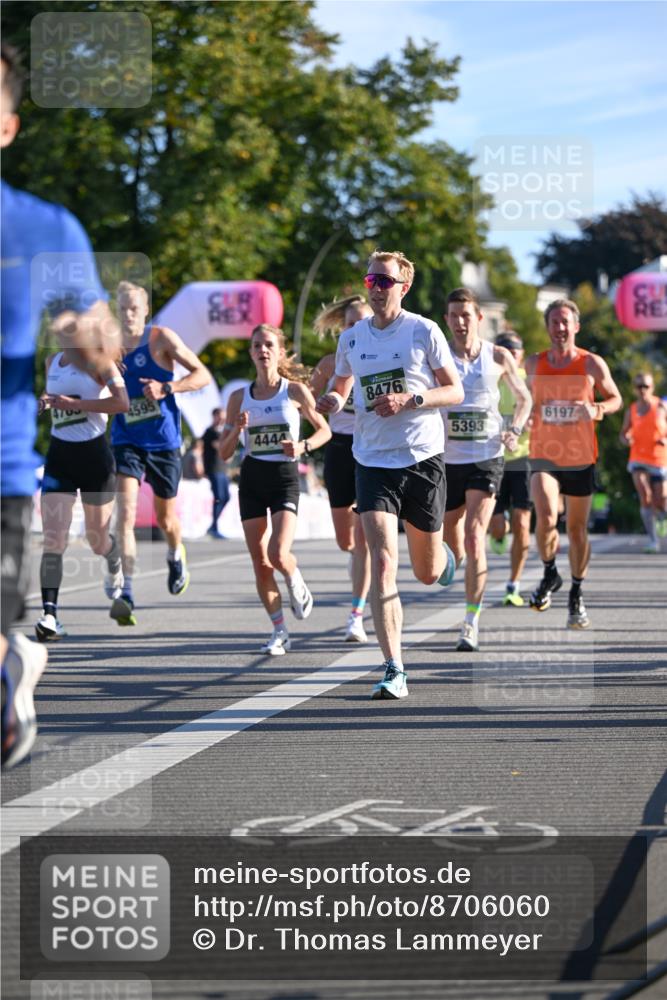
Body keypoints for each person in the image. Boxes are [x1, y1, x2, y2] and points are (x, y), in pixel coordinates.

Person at [1, 42, 119, 767]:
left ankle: (12, 664)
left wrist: (86, 338)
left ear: (6, 129)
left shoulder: (48, 231)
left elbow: (105, 348)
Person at [318, 250, 463, 700]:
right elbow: (341, 384)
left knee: (425, 571)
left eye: (385, 281)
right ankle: (394, 667)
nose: (376, 288)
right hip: (372, 459)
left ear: (404, 286)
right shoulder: (353, 338)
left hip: (421, 458)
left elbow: (454, 390)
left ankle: (442, 559)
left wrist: (411, 400)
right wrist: (332, 402)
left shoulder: (424, 330)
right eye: (371, 280)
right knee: (381, 560)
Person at [218, 324, 331, 655]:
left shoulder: (294, 391)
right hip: (252, 476)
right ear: (251, 352)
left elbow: (324, 431)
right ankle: (279, 631)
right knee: (260, 562)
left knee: (278, 554)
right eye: (256, 345)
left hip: (283, 475)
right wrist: (234, 431)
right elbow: (224, 453)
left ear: (280, 351)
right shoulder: (239, 397)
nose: (262, 350)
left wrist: (302, 446)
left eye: (268, 344)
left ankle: (295, 579)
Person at [110, 282, 211, 626]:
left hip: (163, 441)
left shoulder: (162, 338)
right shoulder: (110, 346)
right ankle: (127, 592)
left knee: (166, 520)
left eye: (134, 309)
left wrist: (167, 387)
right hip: (126, 438)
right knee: (123, 516)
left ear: (146, 311)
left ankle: (174, 552)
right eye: (122, 309)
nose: (127, 316)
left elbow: (203, 374)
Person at [442, 291, 532, 652]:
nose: (460, 322)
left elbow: (524, 398)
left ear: (478, 317)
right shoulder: (438, 356)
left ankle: (470, 622)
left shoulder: (498, 355)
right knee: (452, 539)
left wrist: (515, 429)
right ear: (447, 320)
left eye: (466, 315)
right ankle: (457, 565)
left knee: (474, 536)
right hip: (447, 459)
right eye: (453, 316)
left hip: (486, 455)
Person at [527, 298, 622, 628]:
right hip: (544, 453)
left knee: (578, 531)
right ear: (548, 326)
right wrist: (522, 418)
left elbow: (616, 398)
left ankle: (576, 591)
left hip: (581, 456)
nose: (560, 327)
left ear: (576, 326)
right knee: (547, 514)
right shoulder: (534, 364)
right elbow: (521, 399)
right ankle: (551, 571)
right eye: (554, 321)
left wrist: (597, 409)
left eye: (565, 321)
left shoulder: (591, 363)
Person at [35, 329, 129, 640]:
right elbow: (55, 402)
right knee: (53, 540)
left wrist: (75, 404)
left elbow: (122, 403)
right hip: (60, 457)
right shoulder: (52, 362)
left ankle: (113, 561)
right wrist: (46, 404)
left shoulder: (100, 363)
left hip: (94, 458)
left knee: (96, 539)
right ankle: (50, 615)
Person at [311, 295, 373, 642]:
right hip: (337, 449)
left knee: (364, 537)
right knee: (345, 540)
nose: (356, 328)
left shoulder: (376, 360)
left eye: (362, 321)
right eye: (350, 322)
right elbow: (305, 402)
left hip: (369, 450)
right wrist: (316, 405)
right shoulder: (329, 363)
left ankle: (356, 612)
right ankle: (360, 566)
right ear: (342, 327)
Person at [488, 331, 534, 606]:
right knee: (497, 526)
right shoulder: (488, 378)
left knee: (522, 521)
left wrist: (531, 423)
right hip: (492, 457)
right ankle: (497, 534)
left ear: (520, 354)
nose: (509, 354)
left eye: (514, 350)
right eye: (503, 349)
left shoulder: (529, 382)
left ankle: (513, 585)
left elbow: (539, 412)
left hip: (523, 457)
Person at [619, 372, 667, 553]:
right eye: (639, 386)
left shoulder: (661, 406)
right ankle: (653, 540)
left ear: (652, 387)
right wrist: (626, 439)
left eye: (646, 386)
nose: (642, 390)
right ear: (635, 389)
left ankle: (662, 516)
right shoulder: (631, 410)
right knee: (645, 495)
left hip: (659, 458)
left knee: (661, 500)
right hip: (638, 457)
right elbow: (623, 433)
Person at [202, 408, 231, 538]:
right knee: (219, 498)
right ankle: (214, 527)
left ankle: (213, 525)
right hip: (214, 469)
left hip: (222, 469)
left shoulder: (221, 432)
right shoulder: (210, 432)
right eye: (220, 417)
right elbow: (221, 446)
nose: (222, 420)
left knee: (225, 497)